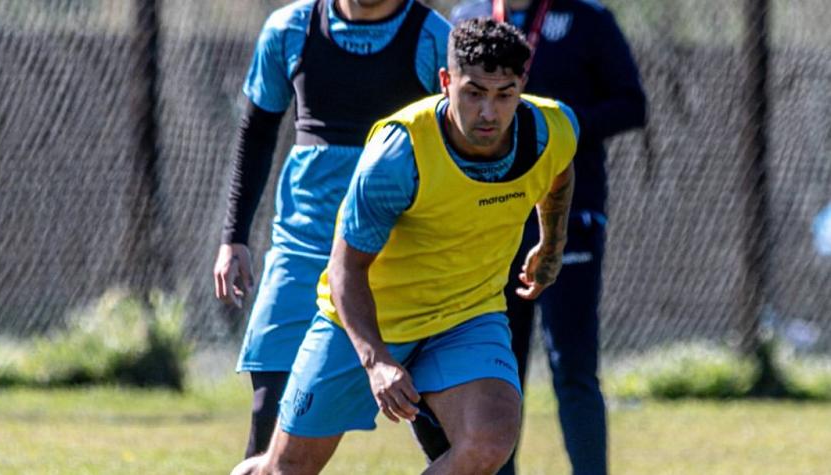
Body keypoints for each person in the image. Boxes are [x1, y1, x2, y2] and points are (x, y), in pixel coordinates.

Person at [230, 18, 579, 475]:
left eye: (505, 94)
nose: (489, 113)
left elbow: (558, 174)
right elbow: (344, 270)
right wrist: (377, 362)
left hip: (466, 315)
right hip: (372, 316)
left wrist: (552, 244)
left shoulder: (551, 128)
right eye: (474, 93)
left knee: (488, 441)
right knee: (284, 468)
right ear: (445, 82)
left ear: (522, 86)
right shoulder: (399, 153)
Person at [211, 0, 451, 459]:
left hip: (397, 258)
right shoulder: (290, 29)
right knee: (270, 410)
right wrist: (233, 236)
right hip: (302, 248)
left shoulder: (433, 38)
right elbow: (257, 131)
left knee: (435, 422)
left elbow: (457, 144)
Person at [416, 1, 647, 474]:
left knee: (574, 365)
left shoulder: (588, 19)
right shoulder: (469, 17)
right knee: (495, 368)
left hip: (571, 216)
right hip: (486, 218)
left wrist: (553, 128)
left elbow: (631, 104)